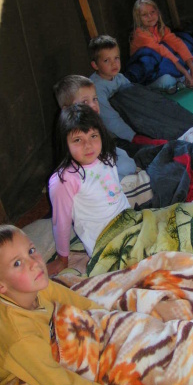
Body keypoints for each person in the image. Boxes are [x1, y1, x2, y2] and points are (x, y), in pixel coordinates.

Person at [0, 224, 179, 385]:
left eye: (31, 251)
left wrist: (115, 321)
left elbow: (78, 302)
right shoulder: (20, 338)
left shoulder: (33, 284)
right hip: (21, 384)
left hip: (45, 344)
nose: (34, 263)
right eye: (17, 263)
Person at [48, 103, 131, 275]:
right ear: (65, 143)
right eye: (78, 140)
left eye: (93, 136)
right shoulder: (65, 180)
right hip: (106, 242)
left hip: (131, 222)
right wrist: (62, 259)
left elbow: (118, 195)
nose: (88, 145)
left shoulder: (106, 156)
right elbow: (61, 221)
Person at [53, 74, 137, 180]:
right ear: (67, 109)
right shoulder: (68, 131)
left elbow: (107, 145)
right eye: (85, 101)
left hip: (105, 154)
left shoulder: (96, 122)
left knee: (128, 163)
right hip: (89, 167)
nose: (93, 105)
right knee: (125, 167)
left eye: (95, 99)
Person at [130, 0, 193, 92]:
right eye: (144, 15)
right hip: (149, 71)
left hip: (165, 62)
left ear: (157, 12)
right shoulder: (140, 34)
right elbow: (163, 52)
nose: (150, 16)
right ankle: (183, 78)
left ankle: (183, 77)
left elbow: (177, 44)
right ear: (138, 18)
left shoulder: (160, 28)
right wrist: (186, 73)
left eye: (152, 12)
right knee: (167, 81)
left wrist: (192, 67)